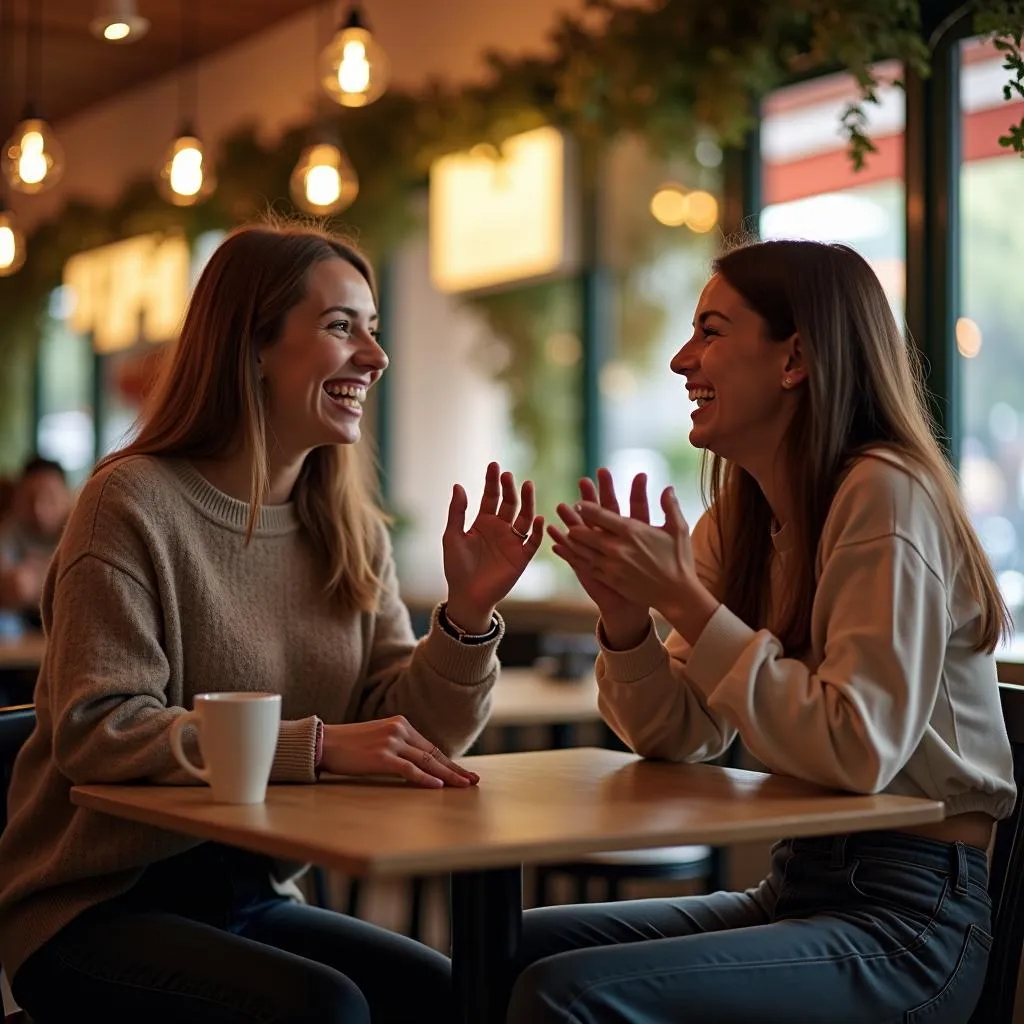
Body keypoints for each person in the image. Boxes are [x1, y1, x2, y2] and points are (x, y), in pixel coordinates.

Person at [0, 223, 544, 1024]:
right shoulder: (131, 504)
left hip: (246, 894)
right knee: (325, 1010)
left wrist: (465, 616)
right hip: (92, 908)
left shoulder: (348, 525)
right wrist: (315, 745)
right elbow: (96, 730)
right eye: (340, 326)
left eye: (374, 329)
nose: (375, 355)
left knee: (443, 996)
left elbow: (417, 738)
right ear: (253, 347)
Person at [511, 239, 1016, 1023]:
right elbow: (677, 735)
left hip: (912, 923)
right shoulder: (744, 518)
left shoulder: (884, 493)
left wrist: (687, 606)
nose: (682, 360)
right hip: (800, 884)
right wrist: (624, 620)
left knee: (563, 993)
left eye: (711, 331)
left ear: (794, 360)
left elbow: (860, 749)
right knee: (508, 950)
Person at [0, 455, 72, 629]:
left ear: (66, 496)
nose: (39, 509)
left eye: (50, 498)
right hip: (20, 620)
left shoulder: (80, 527)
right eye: (30, 498)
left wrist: (36, 580)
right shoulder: (11, 528)